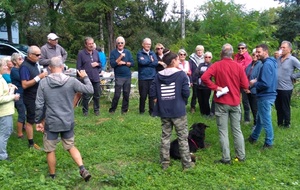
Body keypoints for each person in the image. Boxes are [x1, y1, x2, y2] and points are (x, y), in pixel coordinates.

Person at [35, 57, 93, 181]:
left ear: (49, 68)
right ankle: (82, 169)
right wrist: (85, 77)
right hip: (67, 120)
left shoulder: (44, 83)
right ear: (62, 67)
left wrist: (38, 121)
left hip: (51, 122)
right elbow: (90, 90)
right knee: (70, 146)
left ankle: (52, 176)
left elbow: (39, 105)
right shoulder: (71, 81)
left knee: (50, 150)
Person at [201, 43, 249, 164]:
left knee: (223, 131)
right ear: (233, 54)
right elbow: (245, 85)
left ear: (221, 54)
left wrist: (215, 87)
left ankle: (226, 158)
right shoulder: (238, 67)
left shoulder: (217, 65)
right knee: (237, 130)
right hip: (235, 102)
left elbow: (204, 77)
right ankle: (241, 156)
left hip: (221, 102)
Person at [150, 49, 193, 170]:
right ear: (173, 61)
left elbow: (153, 92)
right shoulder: (181, 75)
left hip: (164, 111)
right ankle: (187, 165)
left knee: (165, 137)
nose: (179, 61)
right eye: (178, 59)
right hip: (178, 111)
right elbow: (186, 92)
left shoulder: (158, 75)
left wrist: (158, 100)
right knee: (183, 138)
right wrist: (182, 101)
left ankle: (164, 163)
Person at [248, 44, 277, 149]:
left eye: (259, 52)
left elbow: (265, 84)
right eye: (256, 52)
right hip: (268, 95)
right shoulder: (271, 62)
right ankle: (253, 137)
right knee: (260, 118)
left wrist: (254, 83)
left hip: (266, 96)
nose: (257, 54)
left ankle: (269, 142)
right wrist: (258, 80)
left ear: (266, 51)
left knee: (266, 120)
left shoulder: (266, 65)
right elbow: (267, 79)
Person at [20, 45, 47, 149]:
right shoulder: (25, 66)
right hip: (30, 97)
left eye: (40, 54)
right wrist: (39, 77)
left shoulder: (35, 63)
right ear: (30, 55)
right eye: (37, 55)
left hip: (40, 95)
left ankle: (47, 136)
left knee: (44, 115)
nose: (39, 56)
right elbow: (24, 84)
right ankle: (31, 143)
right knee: (31, 120)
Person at [275, 41, 300, 128]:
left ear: (289, 49)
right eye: (281, 47)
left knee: (285, 106)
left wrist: (294, 76)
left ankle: (287, 123)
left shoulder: (292, 59)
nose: (281, 49)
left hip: (286, 87)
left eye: (283, 47)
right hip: (276, 87)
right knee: (278, 107)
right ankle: (279, 123)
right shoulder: (278, 59)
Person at [0, 58, 20, 161]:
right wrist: (13, 97)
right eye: (4, 66)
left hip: (4, 111)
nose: (6, 67)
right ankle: (2, 156)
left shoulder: (1, 78)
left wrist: (8, 86)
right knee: (5, 133)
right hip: (4, 112)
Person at [109, 36, 134, 114]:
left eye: (122, 43)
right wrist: (120, 57)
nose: (120, 44)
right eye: (118, 43)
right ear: (116, 44)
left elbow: (132, 63)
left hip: (127, 76)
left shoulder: (128, 52)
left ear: (124, 44)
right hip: (119, 76)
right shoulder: (113, 52)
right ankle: (112, 110)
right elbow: (113, 64)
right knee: (117, 94)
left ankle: (124, 110)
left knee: (126, 94)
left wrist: (124, 63)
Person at [76, 37, 101, 116]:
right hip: (86, 78)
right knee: (86, 96)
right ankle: (85, 111)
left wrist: (97, 64)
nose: (91, 45)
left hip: (96, 77)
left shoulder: (96, 52)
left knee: (97, 95)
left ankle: (96, 110)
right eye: (89, 44)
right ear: (85, 45)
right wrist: (81, 76)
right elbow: (78, 67)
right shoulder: (81, 53)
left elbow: (100, 64)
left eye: (92, 43)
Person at [137, 38, 158, 115]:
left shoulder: (153, 53)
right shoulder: (140, 53)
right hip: (143, 78)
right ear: (143, 44)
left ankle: (151, 111)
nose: (148, 45)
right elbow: (141, 62)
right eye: (146, 44)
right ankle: (141, 111)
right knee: (143, 96)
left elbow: (155, 63)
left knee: (152, 96)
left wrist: (148, 62)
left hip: (152, 77)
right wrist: (150, 61)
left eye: (149, 44)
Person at [234, 42, 252, 124]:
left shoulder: (248, 58)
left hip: (244, 82)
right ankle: (238, 117)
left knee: (245, 101)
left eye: (242, 48)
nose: (240, 50)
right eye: (239, 48)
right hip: (236, 81)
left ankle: (247, 119)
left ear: (246, 49)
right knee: (237, 100)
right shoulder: (236, 57)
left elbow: (245, 70)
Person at [245, 49, 263, 129]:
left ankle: (257, 124)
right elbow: (245, 76)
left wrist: (250, 87)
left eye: (256, 55)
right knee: (252, 107)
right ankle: (255, 123)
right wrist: (245, 87)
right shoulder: (249, 65)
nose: (255, 56)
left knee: (255, 108)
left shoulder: (260, 65)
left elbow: (258, 78)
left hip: (255, 90)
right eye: (253, 55)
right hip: (248, 89)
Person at [10, 53, 26, 138]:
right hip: (18, 95)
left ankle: (23, 126)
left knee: (24, 111)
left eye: (22, 58)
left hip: (24, 94)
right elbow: (23, 79)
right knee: (21, 113)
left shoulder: (21, 69)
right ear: (14, 61)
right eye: (19, 59)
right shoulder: (14, 70)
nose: (22, 60)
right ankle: (20, 134)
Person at [194, 52, 213, 116]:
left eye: (209, 57)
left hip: (207, 86)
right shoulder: (200, 64)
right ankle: (202, 113)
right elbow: (196, 73)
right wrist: (204, 74)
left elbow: (209, 74)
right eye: (206, 57)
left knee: (206, 100)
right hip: (199, 85)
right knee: (200, 100)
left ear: (211, 58)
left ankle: (207, 113)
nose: (207, 58)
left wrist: (202, 73)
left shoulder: (212, 65)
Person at [189, 45, 204, 113]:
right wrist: (191, 80)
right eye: (198, 50)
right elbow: (190, 70)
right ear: (196, 51)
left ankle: (202, 107)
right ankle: (192, 107)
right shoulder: (191, 60)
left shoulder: (205, 58)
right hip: (195, 79)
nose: (199, 52)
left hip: (203, 80)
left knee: (203, 94)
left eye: (201, 50)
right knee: (195, 94)